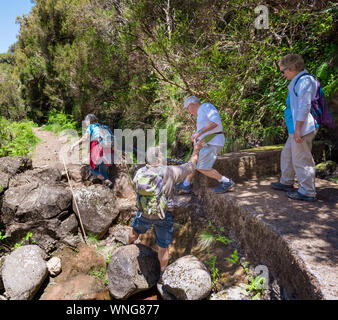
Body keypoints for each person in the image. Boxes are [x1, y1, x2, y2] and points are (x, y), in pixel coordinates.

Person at [128, 139, 205, 277]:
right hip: (163, 215)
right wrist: (196, 149)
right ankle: (162, 276)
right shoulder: (170, 171)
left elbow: (136, 189)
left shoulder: (139, 172)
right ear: (158, 159)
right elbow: (191, 165)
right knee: (163, 247)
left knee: (134, 230)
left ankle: (127, 250)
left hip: (144, 213)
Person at [270, 54, 318, 202]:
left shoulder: (305, 81)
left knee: (301, 159)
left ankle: (307, 191)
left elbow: (304, 107)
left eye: (283, 71)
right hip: (296, 128)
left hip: (303, 128)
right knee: (287, 155)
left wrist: (298, 130)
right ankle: (286, 181)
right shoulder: (298, 81)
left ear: (292, 68)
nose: (282, 75)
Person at [175, 96, 235, 194]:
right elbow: (207, 130)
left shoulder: (206, 106)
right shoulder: (201, 113)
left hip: (213, 142)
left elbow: (215, 122)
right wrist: (197, 139)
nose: (188, 111)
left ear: (192, 104)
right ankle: (186, 184)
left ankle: (226, 182)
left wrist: (198, 133)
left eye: (187, 108)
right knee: (193, 162)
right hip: (207, 142)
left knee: (202, 167)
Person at [70, 114, 114, 188]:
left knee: (92, 169)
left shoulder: (91, 127)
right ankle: (108, 185)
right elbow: (113, 139)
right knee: (103, 169)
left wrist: (74, 145)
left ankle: (105, 181)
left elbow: (84, 139)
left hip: (97, 147)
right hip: (108, 148)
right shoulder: (105, 127)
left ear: (89, 121)